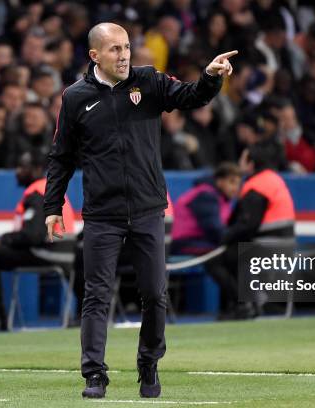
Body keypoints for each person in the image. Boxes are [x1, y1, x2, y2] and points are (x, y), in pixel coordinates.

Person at [43, 22, 236, 399]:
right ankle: (94, 376)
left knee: (154, 293)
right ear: (94, 55)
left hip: (148, 209)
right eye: (115, 49)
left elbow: (191, 96)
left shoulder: (148, 81)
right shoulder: (75, 97)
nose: (125, 55)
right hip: (102, 214)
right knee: (97, 295)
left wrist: (211, 78)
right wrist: (52, 206)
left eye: (127, 47)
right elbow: (61, 157)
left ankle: (148, 364)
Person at [0, 151, 76, 331]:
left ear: (37, 169)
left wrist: (6, 239)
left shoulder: (38, 193)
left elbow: (32, 236)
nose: (17, 171)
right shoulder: (50, 189)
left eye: (22, 167)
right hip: (63, 253)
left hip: (47, 253)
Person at [213, 143, 296, 319]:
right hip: (285, 244)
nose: (240, 164)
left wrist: (224, 238)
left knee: (216, 261)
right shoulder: (274, 179)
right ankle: (250, 302)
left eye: (242, 160)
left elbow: (248, 225)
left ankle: (244, 306)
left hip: (267, 246)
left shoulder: (256, 185)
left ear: (251, 164)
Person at [171, 162, 242, 255]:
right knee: (230, 252)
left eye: (238, 184)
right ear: (219, 181)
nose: (236, 188)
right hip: (184, 243)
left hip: (200, 240)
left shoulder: (221, 198)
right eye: (232, 182)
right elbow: (213, 230)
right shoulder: (205, 196)